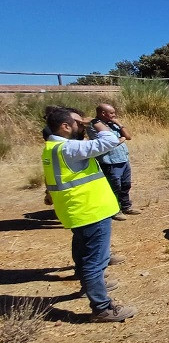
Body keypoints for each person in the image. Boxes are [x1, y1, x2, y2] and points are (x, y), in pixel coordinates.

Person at [42, 107, 136, 322]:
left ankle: (89, 285)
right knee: (95, 260)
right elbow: (110, 140)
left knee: (83, 251)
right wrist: (95, 121)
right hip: (90, 210)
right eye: (77, 122)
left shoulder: (52, 147)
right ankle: (102, 308)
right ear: (65, 127)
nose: (82, 124)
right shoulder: (68, 148)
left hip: (75, 210)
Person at [86, 104, 140, 221]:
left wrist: (119, 124)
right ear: (103, 113)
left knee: (126, 184)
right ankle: (115, 210)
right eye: (112, 113)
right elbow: (104, 144)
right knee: (114, 186)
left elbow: (128, 136)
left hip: (123, 159)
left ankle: (126, 206)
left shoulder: (113, 124)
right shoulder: (93, 125)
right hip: (109, 161)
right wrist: (120, 139)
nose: (114, 115)